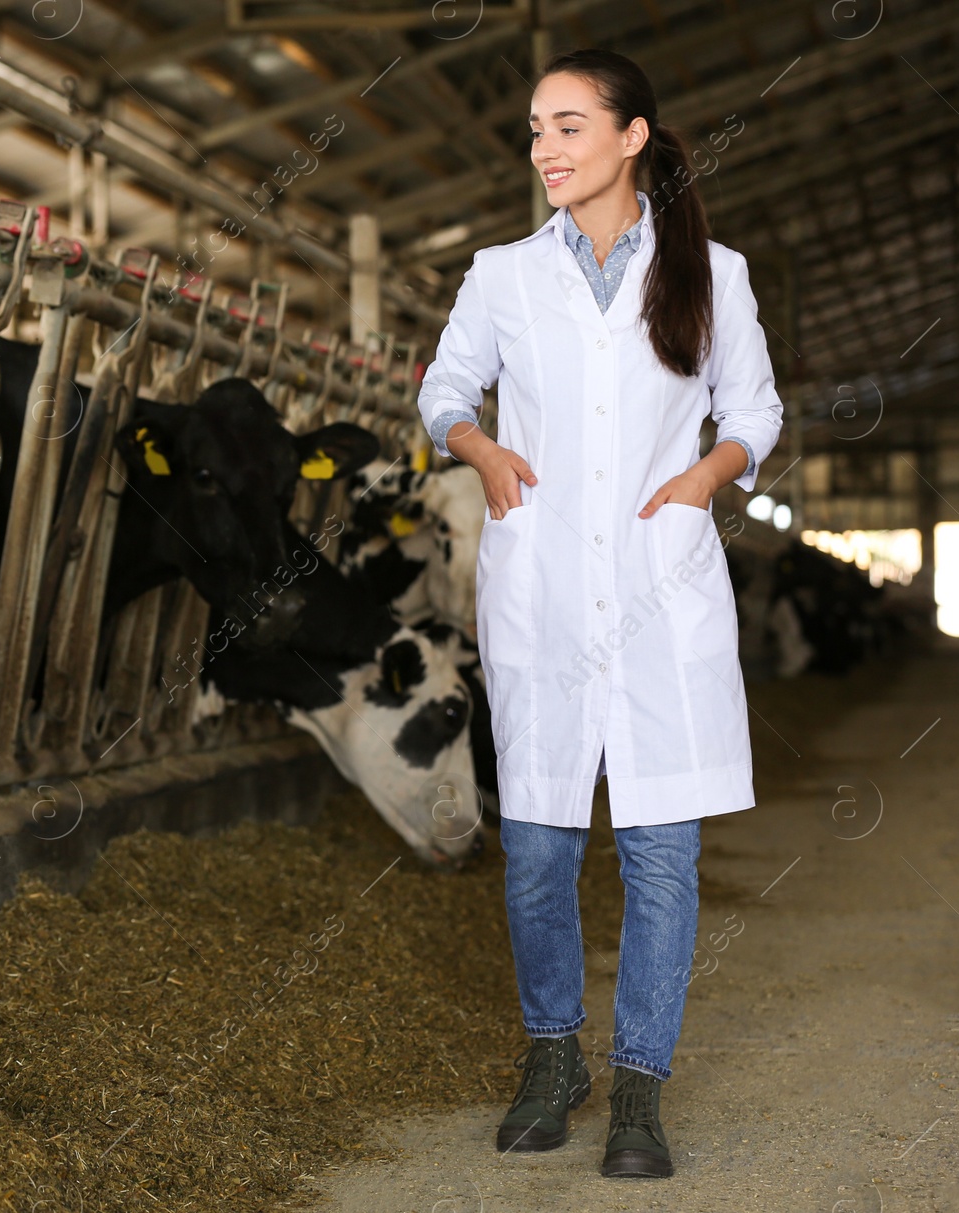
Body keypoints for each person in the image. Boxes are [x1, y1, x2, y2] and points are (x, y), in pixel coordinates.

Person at [415, 48, 784, 1179]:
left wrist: (703, 480)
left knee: (660, 855)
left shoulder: (710, 272)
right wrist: (476, 447)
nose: (545, 151)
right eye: (534, 130)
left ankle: (638, 1085)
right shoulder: (500, 273)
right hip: (541, 593)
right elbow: (442, 389)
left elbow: (756, 409)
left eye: (568, 127)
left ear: (631, 137)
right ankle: (550, 1057)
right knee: (535, 846)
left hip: (658, 587)